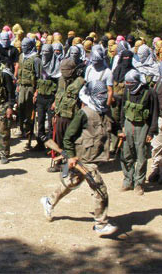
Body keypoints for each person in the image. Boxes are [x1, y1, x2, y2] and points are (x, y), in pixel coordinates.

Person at [40, 80, 118, 236]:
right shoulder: (84, 113)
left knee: (71, 183)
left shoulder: (104, 110)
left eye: (105, 94)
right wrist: (71, 156)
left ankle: (49, 201)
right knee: (100, 190)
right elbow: (69, 136)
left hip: (92, 156)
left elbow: (110, 126)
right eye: (100, 94)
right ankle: (100, 224)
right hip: (83, 158)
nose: (103, 97)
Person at [118, 69, 159, 195]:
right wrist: (121, 127)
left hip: (143, 126)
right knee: (126, 154)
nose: (128, 85)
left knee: (141, 155)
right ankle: (127, 180)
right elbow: (123, 110)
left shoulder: (150, 93)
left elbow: (154, 113)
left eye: (130, 83)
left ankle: (139, 183)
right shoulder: (127, 91)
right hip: (128, 125)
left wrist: (151, 132)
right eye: (127, 83)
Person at [49, 59, 85, 172]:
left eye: (66, 70)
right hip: (60, 114)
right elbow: (58, 94)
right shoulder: (61, 80)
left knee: (70, 141)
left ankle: (72, 164)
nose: (64, 72)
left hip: (73, 116)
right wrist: (55, 109)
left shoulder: (81, 82)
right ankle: (58, 162)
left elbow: (83, 100)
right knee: (58, 140)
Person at [34, 43, 61, 150]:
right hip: (40, 97)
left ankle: (50, 147)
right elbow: (38, 79)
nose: (45, 54)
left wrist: (56, 101)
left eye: (47, 52)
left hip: (51, 98)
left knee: (50, 124)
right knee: (40, 122)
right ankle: (40, 143)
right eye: (43, 51)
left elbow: (59, 86)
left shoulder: (57, 66)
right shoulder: (40, 63)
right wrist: (36, 92)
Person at [17, 37, 40, 146]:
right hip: (22, 86)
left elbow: (39, 76)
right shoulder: (21, 56)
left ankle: (29, 131)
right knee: (20, 106)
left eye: (25, 46)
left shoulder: (36, 58)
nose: (23, 48)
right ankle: (21, 128)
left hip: (31, 87)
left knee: (29, 110)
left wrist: (37, 91)